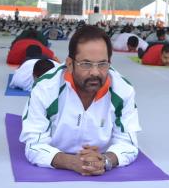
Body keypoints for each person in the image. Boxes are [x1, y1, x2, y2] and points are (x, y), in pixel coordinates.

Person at [20, 25, 141, 176]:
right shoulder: (45, 88)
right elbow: (34, 144)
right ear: (70, 64)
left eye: (103, 64)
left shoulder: (122, 90)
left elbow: (128, 143)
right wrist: (71, 162)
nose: (95, 72)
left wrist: (105, 160)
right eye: (86, 64)